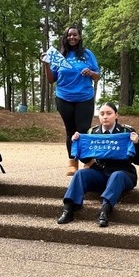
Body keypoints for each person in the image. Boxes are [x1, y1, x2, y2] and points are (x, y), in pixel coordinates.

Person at [57, 102, 139, 227]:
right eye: (102, 114)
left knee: (117, 175)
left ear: (116, 115)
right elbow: (86, 160)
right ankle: (68, 209)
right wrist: (75, 143)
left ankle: (104, 211)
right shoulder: (93, 132)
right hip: (101, 173)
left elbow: (138, 161)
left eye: (109, 113)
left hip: (123, 173)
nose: (105, 117)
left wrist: (136, 144)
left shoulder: (127, 131)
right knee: (80, 174)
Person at [44, 24, 101, 177]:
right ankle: (72, 162)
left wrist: (91, 73)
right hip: (64, 97)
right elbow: (51, 80)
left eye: (75, 35)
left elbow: (98, 76)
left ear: (80, 37)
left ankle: (87, 161)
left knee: (82, 130)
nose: (72, 37)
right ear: (65, 37)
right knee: (70, 131)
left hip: (84, 98)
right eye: (69, 35)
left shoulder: (88, 54)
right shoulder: (59, 56)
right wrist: (46, 64)